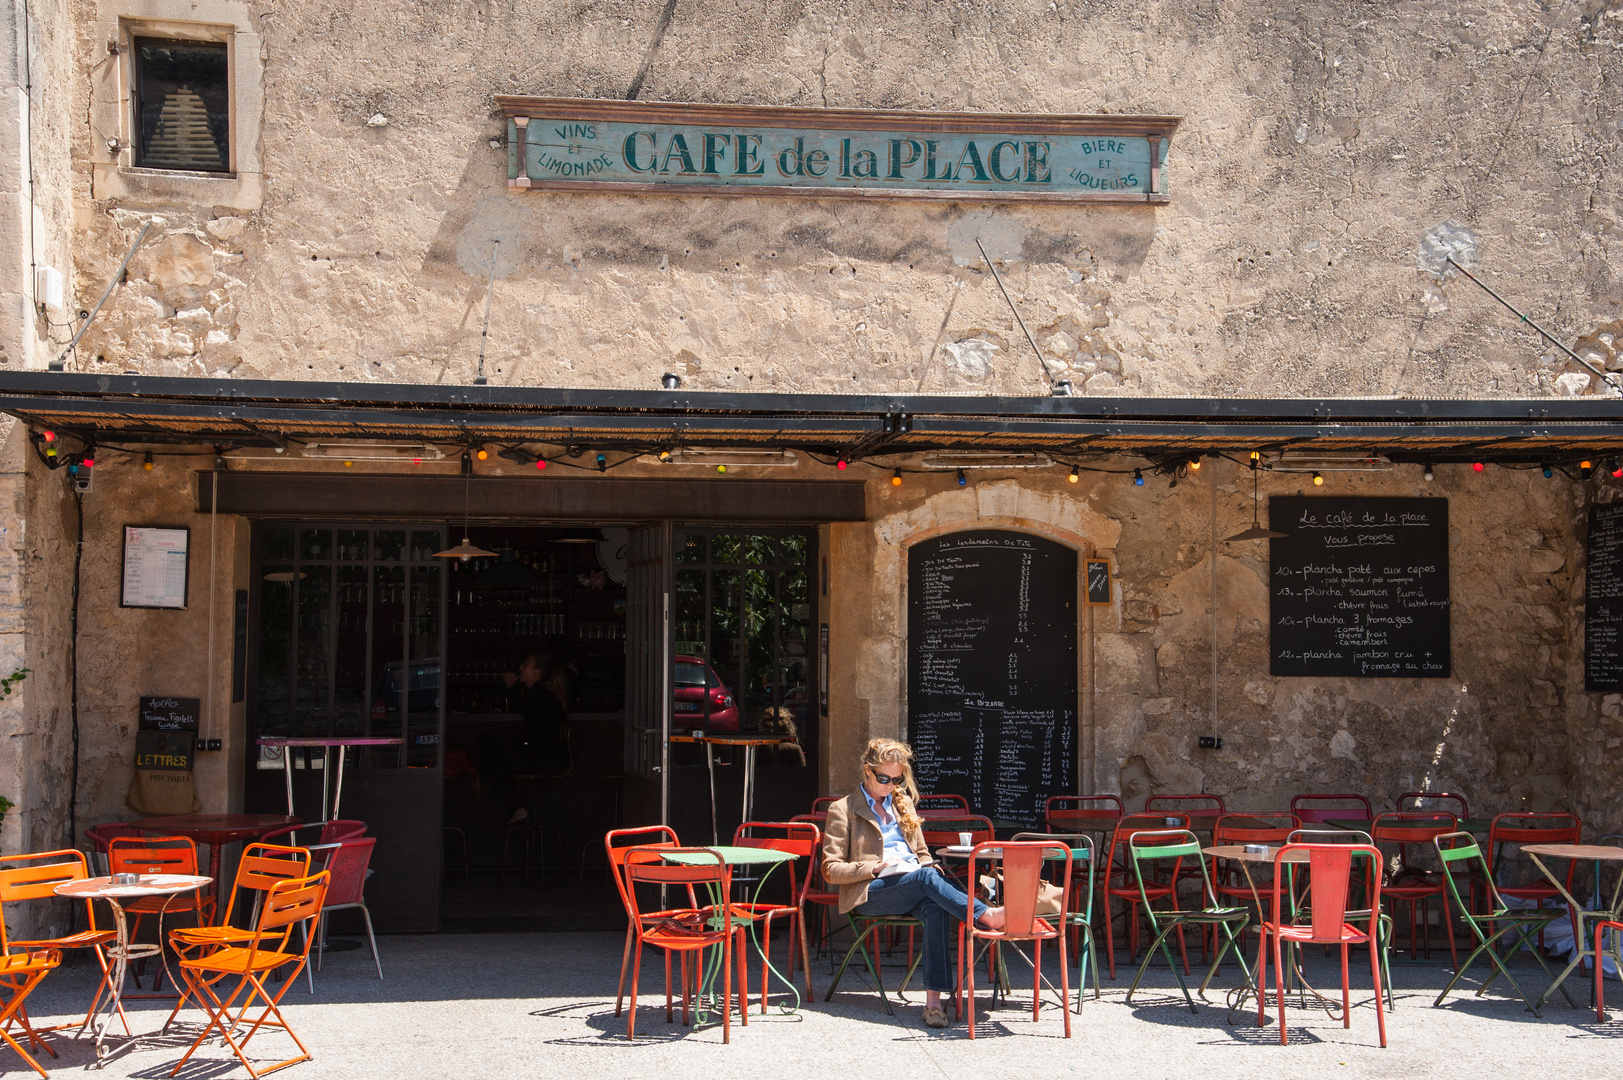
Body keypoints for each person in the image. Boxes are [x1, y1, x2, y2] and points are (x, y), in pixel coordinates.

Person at [820, 738, 1004, 1029]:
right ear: (867, 771)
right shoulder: (843, 809)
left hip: (913, 883)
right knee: (927, 879)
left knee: (936, 903)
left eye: (896, 778)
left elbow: (920, 853)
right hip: (871, 892)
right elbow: (830, 870)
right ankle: (984, 915)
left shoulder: (901, 802)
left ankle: (933, 1003)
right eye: (883, 778)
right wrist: (873, 867)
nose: (890, 784)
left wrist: (925, 863)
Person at [503, 651, 571, 825]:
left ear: (536, 672)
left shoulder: (540, 693)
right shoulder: (542, 691)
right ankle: (520, 809)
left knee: (489, 755)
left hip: (541, 759)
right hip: (550, 758)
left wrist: (514, 745)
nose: (520, 668)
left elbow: (531, 730)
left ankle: (518, 809)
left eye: (525, 665)